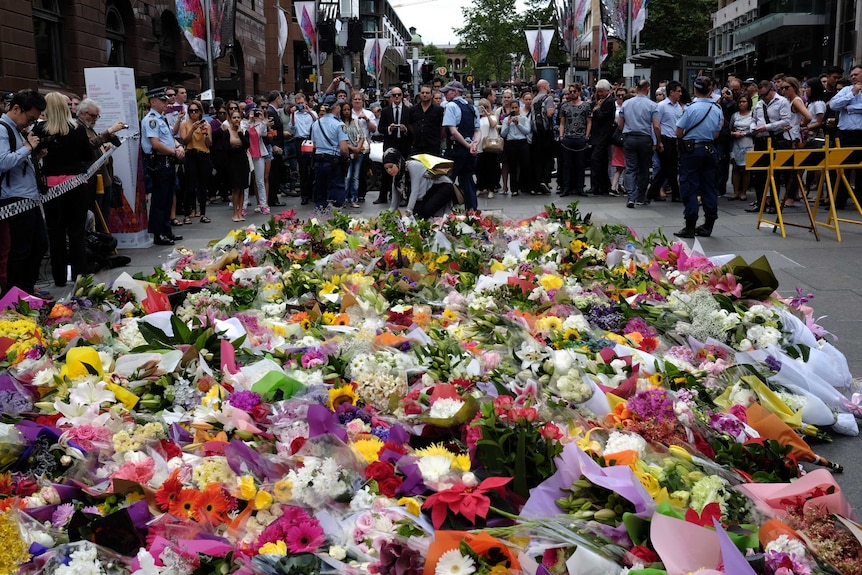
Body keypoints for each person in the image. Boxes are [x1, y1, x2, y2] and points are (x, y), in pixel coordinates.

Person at [33, 92, 96, 286]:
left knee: (55, 232)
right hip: (77, 184)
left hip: (52, 188)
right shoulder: (77, 129)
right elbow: (87, 155)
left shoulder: (39, 129)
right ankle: (81, 276)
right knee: (77, 231)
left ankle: (59, 278)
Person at [0, 90, 48, 295]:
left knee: (39, 245)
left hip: (28, 197)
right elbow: (2, 162)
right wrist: (28, 148)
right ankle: (14, 293)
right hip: (14, 198)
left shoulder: (17, 130)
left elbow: (18, 163)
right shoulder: (2, 129)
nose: (29, 124)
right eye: (29, 119)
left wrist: (34, 154)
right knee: (21, 249)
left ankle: (26, 290)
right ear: (16, 108)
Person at [673, 76, 724, 238]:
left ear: (695, 89)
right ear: (710, 90)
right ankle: (708, 224)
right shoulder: (717, 109)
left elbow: (678, 132)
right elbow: (717, 133)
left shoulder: (690, 109)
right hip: (710, 149)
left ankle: (690, 225)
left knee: (689, 186)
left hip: (692, 151)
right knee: (709, 187)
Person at [141, 87, 185, 246]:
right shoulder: (151, 120)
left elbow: (169, 137)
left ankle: (166, 230)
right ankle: (158, 234)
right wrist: (174, 152)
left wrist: (178, 147)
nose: (166, 103)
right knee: (159, 200)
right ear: (153, 102)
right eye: (163, 100)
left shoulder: (162, 118)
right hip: (159, 162)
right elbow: (156, 144)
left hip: (168, 161)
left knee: (167, 198)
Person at [76, 98, 126, 222]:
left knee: (104, 215)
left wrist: (103, 148)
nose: (94, 119)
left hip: (104, 177)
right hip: (94, 179)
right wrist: (109, 131)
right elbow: (89, 144)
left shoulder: (89, 127)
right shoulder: (78, 128)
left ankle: (104, 237)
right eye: (93, 116)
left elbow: (95, 144)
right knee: (98, 218)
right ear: (82, 113)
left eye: (97, 116)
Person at [747, 80, 792, 214]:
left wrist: (766, 127)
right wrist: (752, 128)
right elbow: (753, 119)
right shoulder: (759, 104)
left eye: (765, 95)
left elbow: (785, 121)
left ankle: (773, 203)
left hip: (775, 139)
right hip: (760, 140)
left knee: (775, 174)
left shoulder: (782, 102)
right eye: (760, 95)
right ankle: (760, 202)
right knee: (759, 174)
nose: (762, 98)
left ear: (772, 90)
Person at [618, 79, 661, 208]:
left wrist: (625, 131)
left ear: (636, 88)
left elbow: (620, 123)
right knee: (644, 169)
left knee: (630, 168)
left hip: (630, 137)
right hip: (645, 139)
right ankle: (640, 197)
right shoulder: (653, 105)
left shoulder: (626, 104)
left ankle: (630, 197)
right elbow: (656, 126)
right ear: (647, 89)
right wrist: (658, 141)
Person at [826, 65, 862, 209]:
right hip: (845, 134)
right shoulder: (846, 90)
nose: (853, 77)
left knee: (860, 170)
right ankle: (838, 200)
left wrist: (849, 108)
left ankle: (859, 200)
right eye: (852, 75)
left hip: (860, 134)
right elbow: (834, 105)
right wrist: (851, 94)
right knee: (840, 168)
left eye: (856, 74)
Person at [441, 80, 480, 210]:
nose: (445, 94)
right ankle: (472, 211)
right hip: (469, 152)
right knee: (468, 180)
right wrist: (474, 144)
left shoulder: (451, 106)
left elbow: (452, 131)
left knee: (446, 181)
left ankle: (444, 210)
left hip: (455, 149)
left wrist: (467, 145)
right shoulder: (472, 107)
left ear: (455, 92)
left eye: (447, 91)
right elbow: (477, 130)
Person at [384, 148, 454, 218]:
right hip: (427, 192)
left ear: (398, 162)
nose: (389, 170)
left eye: (391, 166)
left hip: (442, 186)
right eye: (386, 169)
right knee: (417, 213)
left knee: (424, 211)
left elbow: (415, 192)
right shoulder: (397, 178)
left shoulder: (412, 166)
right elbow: (394, 205)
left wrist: (408, 212)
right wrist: (385, 216)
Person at [647, 80, 684, 202]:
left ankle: (652, 192)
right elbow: (656, 125)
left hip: (674, 140)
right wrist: (658, 142)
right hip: (664, 139)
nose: (680, 94)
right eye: (678, 91)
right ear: (671, 92)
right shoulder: (661, 106)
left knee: (666, 168)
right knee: (671, 168)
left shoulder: (678, 107)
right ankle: (676, 194)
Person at [777, 77, 812, 207]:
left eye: (787, 88)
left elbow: (808, 116)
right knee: (791, 169)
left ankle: (790, 198)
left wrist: (801, 124)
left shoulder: (796, 101)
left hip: (792, 138)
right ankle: (793, 194)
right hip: (789, 136)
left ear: (794, 87)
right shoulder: (789, 101)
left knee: (790, 170)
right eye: (782, 88)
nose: (784, 90)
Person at [178, 99, 213, 223]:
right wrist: (192, 129)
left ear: (200, 112)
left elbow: (209, 144)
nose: (193, 113)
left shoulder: (206, 125)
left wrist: (206, 134)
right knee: (190, 186)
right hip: (191, 155)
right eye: (191, 111)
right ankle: (187, 213)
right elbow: (185, 141)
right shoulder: (185, 124)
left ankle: (203, 213)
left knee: (203, 186)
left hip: (203, 155)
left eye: (196, 111)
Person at [311, 101, 349, 210]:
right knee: (336, 187)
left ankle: (320, 211)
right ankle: (336, 210)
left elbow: (314, 145)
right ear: (336, 108)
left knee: (320, 187)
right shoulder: (340, 125)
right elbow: (344, 148)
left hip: (318, 160)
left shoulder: (316, 124)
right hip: (333, 161)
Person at [377, 87, 412, 204]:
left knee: (403, 170)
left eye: (399, 95)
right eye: (394, 95)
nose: (397, 97)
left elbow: (413, 129)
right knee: (386, 170)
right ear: (391, 97)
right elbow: (380, 128)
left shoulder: (408, 111)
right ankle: (383, 196)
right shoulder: (386, 111)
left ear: (402, 96)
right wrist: (389, 128)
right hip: (390, 143)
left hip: (403, 144)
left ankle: (402, 196)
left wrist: (405, 129)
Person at [557, 83, 591, 197]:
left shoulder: (586, 105)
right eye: (570, 92)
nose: (572, 94)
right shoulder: (564, 106)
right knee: (567, 164)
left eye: (574, 91)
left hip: (580, 137)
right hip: (568, 137)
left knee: (580, 164)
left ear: (579, 92)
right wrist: (561, 136)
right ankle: (566, 187)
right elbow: (562, 122)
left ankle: (580, 187)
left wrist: (586, 136)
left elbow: (589, 121)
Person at [216, 108, 250, 222]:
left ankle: (241, 212)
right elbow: (227, 148)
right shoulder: (226, 133)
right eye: (234, 117)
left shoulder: (244, 131)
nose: (236, 119)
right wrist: (238, 148)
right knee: (235, 188)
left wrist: (240, 134)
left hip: (243, 162)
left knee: (242, 188)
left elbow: (246, 145)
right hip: (232, 163)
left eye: (238, 117)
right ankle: (235, 213)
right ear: (230, 119)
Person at [289, 92, 318, 206]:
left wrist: (309, 112)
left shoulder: (312, 113)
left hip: (310, 140)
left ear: (306, 102)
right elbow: (292, 127)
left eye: (302, 102)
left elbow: (317, 122)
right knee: (303, 169)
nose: (301, 105)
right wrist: (292, 114)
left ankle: (311, 193)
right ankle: (304, 195)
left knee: (312, 167)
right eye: (298, 103)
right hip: (300, 141)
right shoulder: (295, 114)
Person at [589, 80, 616, 196]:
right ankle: (602, 185)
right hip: (597, 134)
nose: (599, 94)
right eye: (598, 91)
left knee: (596, 159)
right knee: (601, 160)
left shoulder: (609, 102)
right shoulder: (598, 100)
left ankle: (597, 185)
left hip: (604, 134)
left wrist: (598, 108)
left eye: (601, 91)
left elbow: (602, 117)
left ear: (607, 91)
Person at [500, 98, 531, 197]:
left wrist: (518, 124)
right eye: (512, 108)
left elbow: (527, 131)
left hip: (522, 142)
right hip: (511, 143)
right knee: (512, 167)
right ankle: (514, 189)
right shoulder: (506, 119)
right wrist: (508, 125)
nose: (514, 109)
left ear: (519, 108)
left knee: (525, 165)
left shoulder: (524, 118)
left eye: (516, 107)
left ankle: (524, 186)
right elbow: (503, 134)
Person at [530, 79, 556, 194]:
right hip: (546, 132)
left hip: (536, 133)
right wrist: (554, 108)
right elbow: (550, 113)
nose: (550, 86)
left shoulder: (534, 99)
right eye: (548, 85)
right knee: (549, 158)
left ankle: (538, 182)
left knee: (538, 159)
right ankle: (545, 180)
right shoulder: (548, 98)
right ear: (544, 87)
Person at [244, 104, 270, 216]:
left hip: (259, 154)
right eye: (252, 112)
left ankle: (263, 205)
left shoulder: (259, 123)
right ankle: (243, 206)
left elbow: (263, 133)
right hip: (248, 154)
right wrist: (250, 121)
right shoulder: (243, 123)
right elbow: (243, 133)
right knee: (246, 182)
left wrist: (262, 119)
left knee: (260, 181)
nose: (254, 114)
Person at [350, 91, 376, 202]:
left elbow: (374, 129)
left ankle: (361, 194)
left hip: (364, 146)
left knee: (362, 172)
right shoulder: (348, 112)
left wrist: (366, 119)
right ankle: (350, 193)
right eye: (355, 99)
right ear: (352, 101)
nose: (357, 101)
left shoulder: (369, 113)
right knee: (350, 172)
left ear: (362, 101)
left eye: (359, 99)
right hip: (351, 145)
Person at [729, 94, 754, 202]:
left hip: (748, 143)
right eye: (740, 102)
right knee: (736, 168)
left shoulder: (752, 115)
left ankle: (743, 192)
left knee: (746, 169)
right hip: (736, 144)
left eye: (744, 101)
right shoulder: (735, 115)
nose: (742, 104)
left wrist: (745, 133)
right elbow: (729, 129)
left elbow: (755, 130)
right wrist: (734, 133)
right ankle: (735, 192)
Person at [408, 83, 445, 156]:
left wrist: (437, 138)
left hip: (433, 146)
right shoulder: (413, 109)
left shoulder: (439, 110)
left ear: (431, 95)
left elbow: (443, 127)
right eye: (422, 93)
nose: (424, 95)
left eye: (427, 93)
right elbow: (410, 124)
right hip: (417, 146)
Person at [265, 91, 287, 207]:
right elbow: (271, 130)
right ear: (277, 98)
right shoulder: (270, 112)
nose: (282, 101)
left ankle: (273, 197)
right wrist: (273, 144)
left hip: (278, 145)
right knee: (273, 174)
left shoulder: (274, 111)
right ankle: (272, 199)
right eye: (281, 99)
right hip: (275, 146)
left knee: (276, 172)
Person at [341, 101, 365, 208]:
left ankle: (354, 199)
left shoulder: (356, 122)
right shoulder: (340, 124)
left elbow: (362, 136)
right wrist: (352, 148)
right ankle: (344, 199)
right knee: (348, 176)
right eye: (344, 110)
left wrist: (358, 148)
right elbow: (341, 140)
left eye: (348, 109)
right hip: (347, 153)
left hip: (358, 152)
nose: (347, 112)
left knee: (355, 177)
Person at [475, 98, 499, 199]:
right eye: (481, 107)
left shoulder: (492, 117)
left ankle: (491, 188)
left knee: (491, 168)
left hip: (490, 146)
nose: (483, 110)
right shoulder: (477, 119)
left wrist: (487, 114)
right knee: (480, 168)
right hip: (479, 146)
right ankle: (481, 187)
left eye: (485, 107)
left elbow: (493, 125)